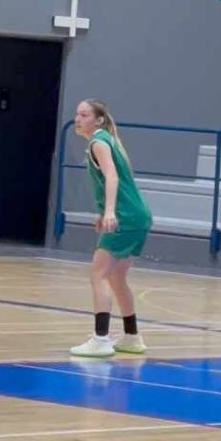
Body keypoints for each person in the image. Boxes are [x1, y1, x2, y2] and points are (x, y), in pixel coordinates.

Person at [70, 99, 152, 359]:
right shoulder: (107, 140)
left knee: (99, 274)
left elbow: (112, 176)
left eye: (84, 115)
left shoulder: (99, 142)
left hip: (126, 216)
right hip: (137, 215)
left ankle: (101, 339)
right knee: (116, 277)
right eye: (77, 114)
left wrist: (110, 211)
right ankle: (132, 337)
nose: (78, 119)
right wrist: (103, 210)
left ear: (98, 120)